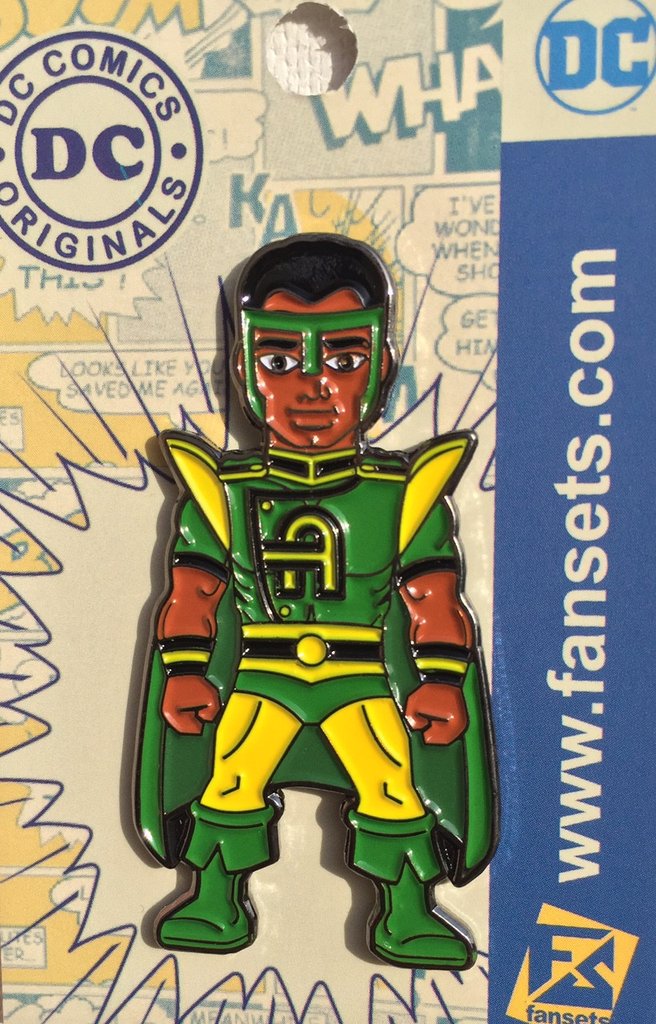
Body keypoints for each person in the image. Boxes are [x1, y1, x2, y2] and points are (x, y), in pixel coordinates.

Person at [136, 233, 497, 969]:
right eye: (279, 361)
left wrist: (440, 680)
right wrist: (183, 672)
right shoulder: (221, 494)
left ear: (380, 367)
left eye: (341, 359)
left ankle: (405, 911)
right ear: (245, 370)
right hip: (263, 673)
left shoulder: (402, 495)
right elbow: (194, 590)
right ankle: (213, 897)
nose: (312, 387)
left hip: (360, 676)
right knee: (230, 777)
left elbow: (433, 596)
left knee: (391, 783)